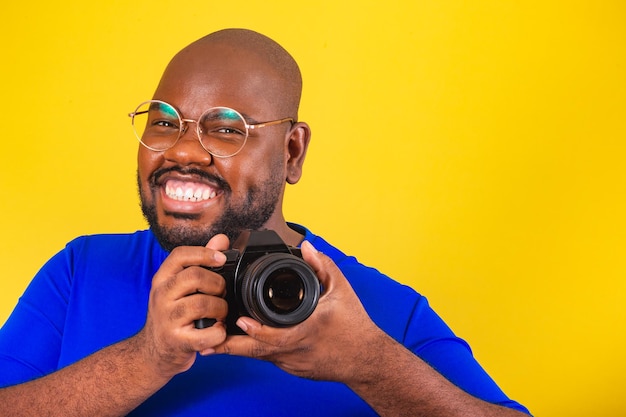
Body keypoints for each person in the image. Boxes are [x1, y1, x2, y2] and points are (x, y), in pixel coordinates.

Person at [0, 28, 531, 416]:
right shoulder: (79, 273)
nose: (183, 149)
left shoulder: (377, 313)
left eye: (226, 129)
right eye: (163, 122)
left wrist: (371, 364)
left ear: (292, 151)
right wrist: (145, 358)